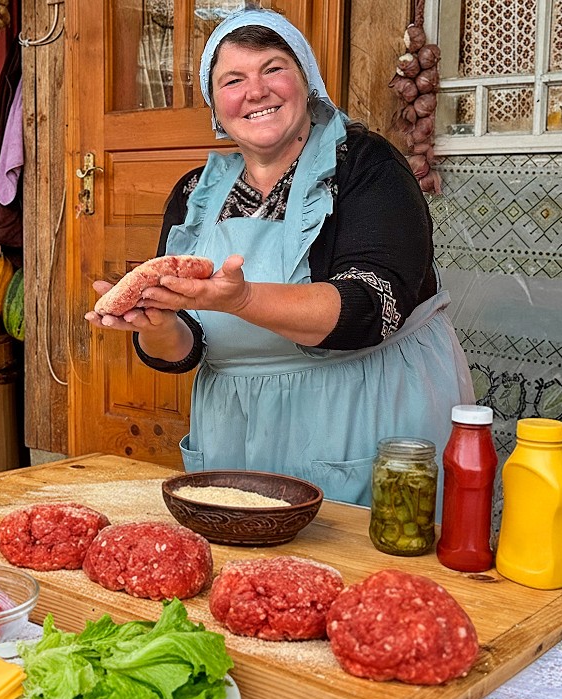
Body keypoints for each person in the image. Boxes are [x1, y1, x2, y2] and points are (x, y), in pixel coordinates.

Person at [85, 9, 473, 506]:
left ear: (305, 81)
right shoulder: (194, 194)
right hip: (240, 426)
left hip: (362, 409)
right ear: (215, 104)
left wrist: (242, 299)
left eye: (272, 69)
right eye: (233, 79)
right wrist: (156, 324)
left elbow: (373, 309)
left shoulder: (365, 166)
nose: (256, 91)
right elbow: (188, 345)